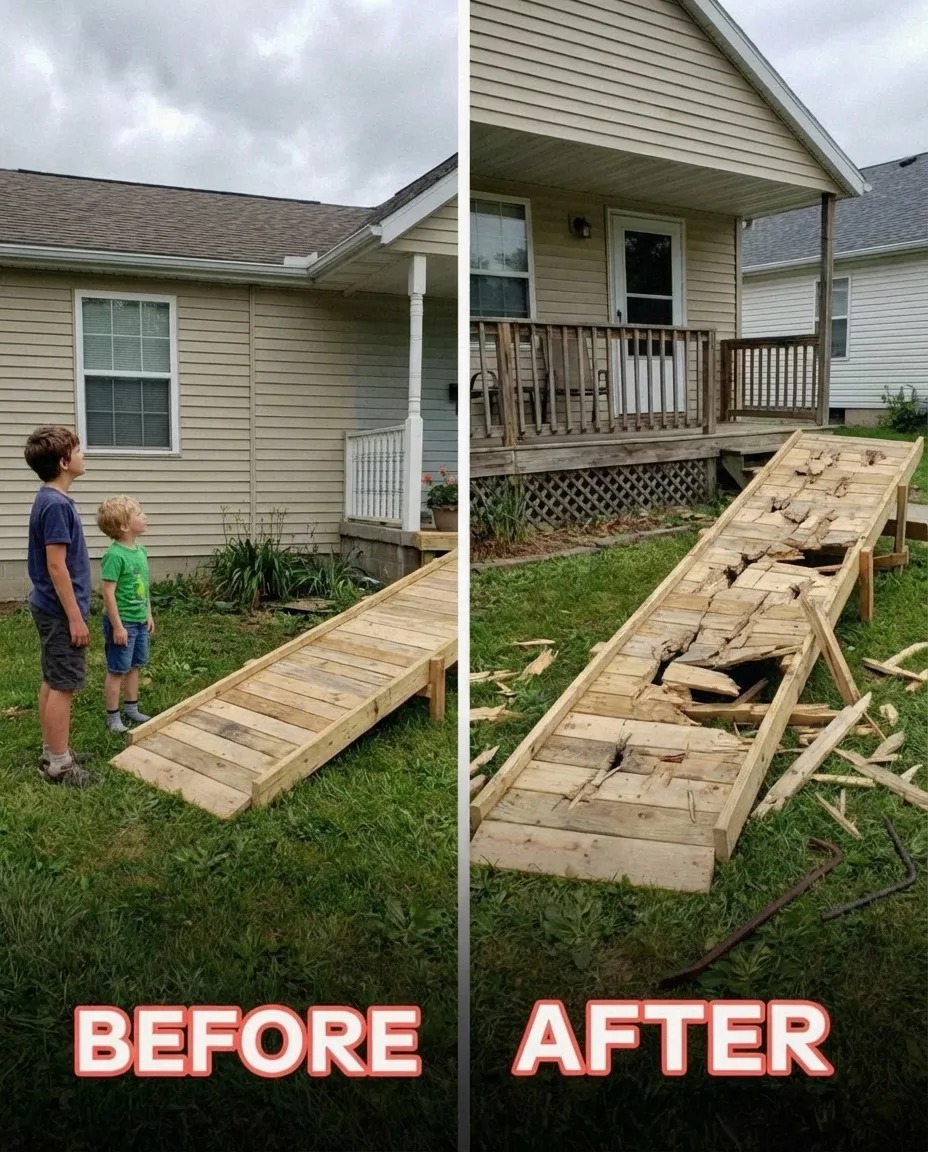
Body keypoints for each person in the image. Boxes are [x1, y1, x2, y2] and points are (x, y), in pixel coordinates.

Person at [23, 426, 95, 787]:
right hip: (59, 609)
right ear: (65, 462)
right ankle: (59, 767)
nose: (83, 455)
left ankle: (53, 749)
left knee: (53, 680)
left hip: (50, 607)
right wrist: (75, 618)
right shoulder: (55, 504)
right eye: (78, 450)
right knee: (63, 684)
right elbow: (56, 566)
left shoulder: (51, 499)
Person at [96, 495, 155, 734]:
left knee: (134, 666)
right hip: (123, 624)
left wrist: (148, 614)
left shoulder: (140, 551)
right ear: (124, 525)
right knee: (117, 669)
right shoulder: (115, 555)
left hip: (140, 622)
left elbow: (144, 587)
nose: (145, 516)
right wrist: (118, 627)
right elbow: (108, 594)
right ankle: (113, 718)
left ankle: (132, 708)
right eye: (139, 514)